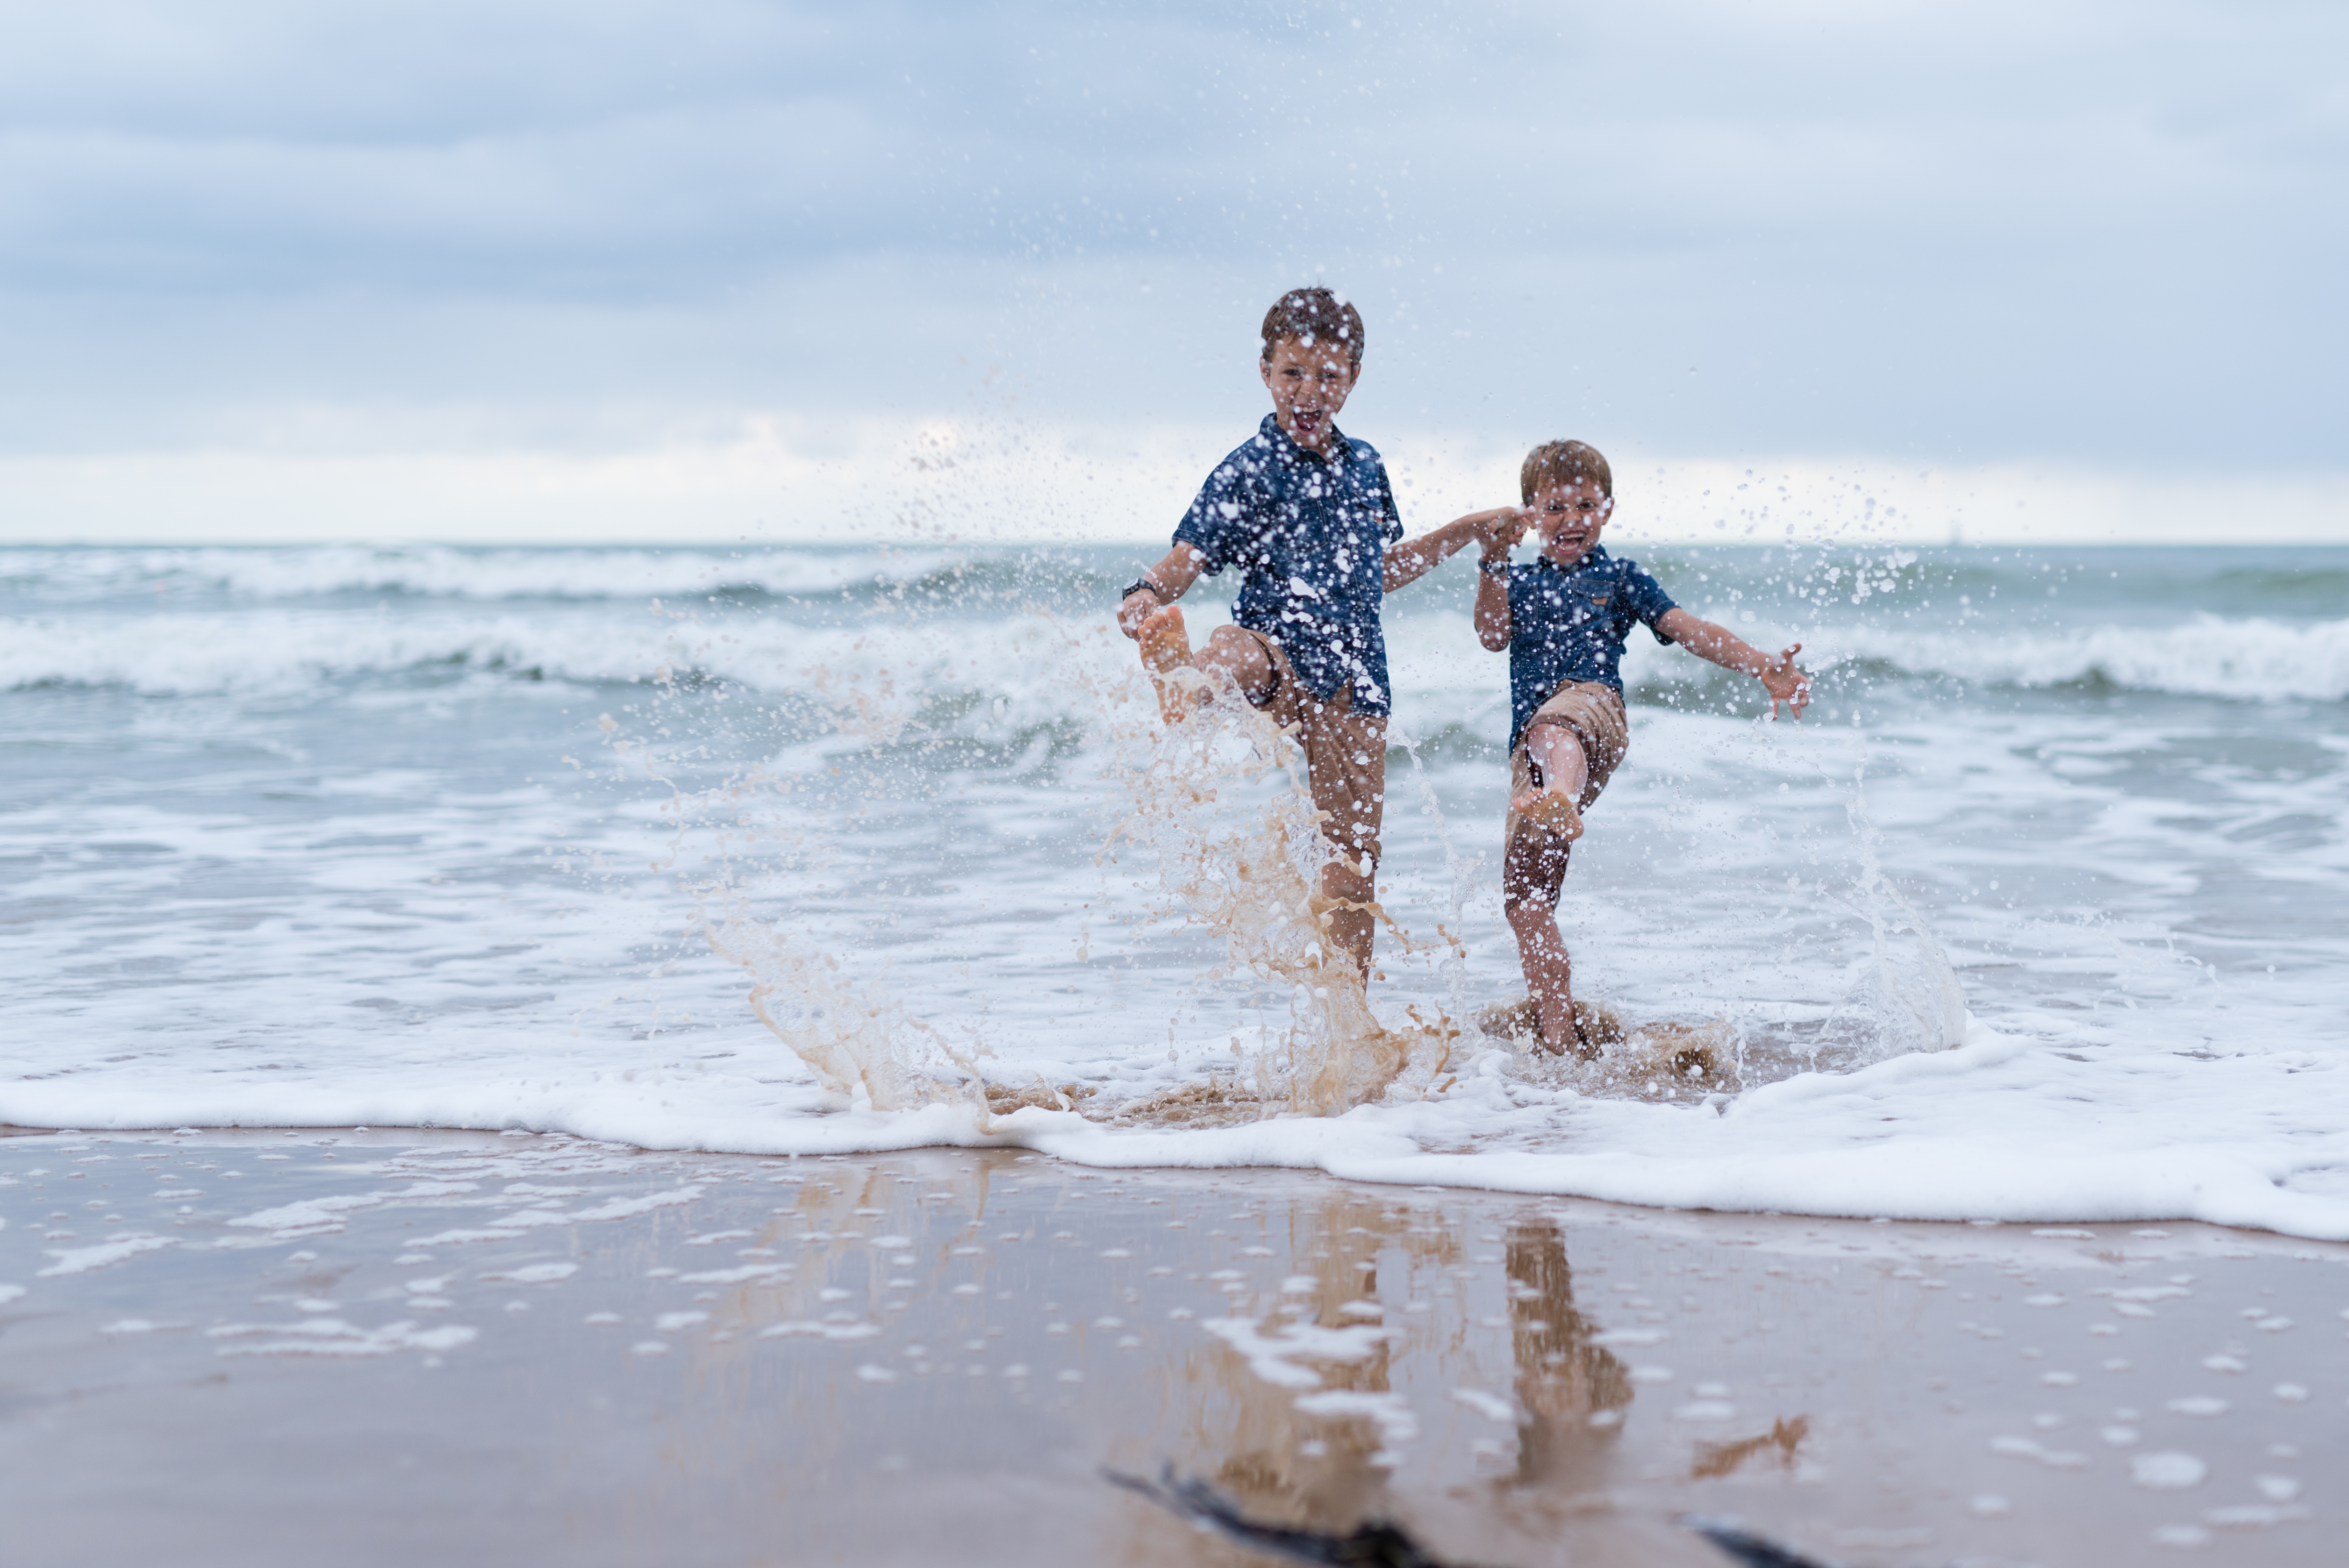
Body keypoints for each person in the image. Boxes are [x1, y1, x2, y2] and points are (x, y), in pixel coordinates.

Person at [1115, 286, 1497, 984]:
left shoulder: (1365, 468)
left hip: (1354, 681)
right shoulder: (1248, 468)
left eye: (1328, 376)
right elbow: (1189, 555)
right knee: (1233, 652)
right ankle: (1186, 686)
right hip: (1276, 653)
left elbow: (1379, 572)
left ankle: (1348, 1012)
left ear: (1351, 381)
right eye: (1294, 373)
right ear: (1265, 371)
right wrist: (1144, 594)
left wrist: (1465, 532)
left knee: (1351, 865)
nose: (1309, 391)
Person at [1475, 439, 1811, 1058]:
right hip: (1532, 753)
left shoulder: (1620, 578)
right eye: (1553, 507)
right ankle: (1560, 1044)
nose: (1570, 518)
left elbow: (1691, 632)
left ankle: (1561, 797)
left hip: (1594, 713)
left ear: (1607, 510)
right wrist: (1492, 561)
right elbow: (1493, 636)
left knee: (1557, 727)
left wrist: (1761, 663)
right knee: (1526, 903)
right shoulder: (1517, 581)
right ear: (1529, 515)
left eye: (1584, 504)